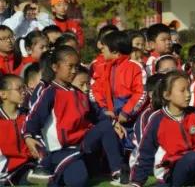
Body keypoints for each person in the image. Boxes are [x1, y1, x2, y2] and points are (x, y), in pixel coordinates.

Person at [23, 46, 127, 187]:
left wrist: (114, 124)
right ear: (55, 67)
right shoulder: (49, 92)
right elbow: (34, 117)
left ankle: (118, 172)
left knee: (106, 125)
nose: (74, 71)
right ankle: (49, 171)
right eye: (70, 66)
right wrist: (28, 135)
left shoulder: (79, 93)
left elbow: (98, 115)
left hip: (81, 144)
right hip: (59, 150)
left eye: (76, 67)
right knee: (78, 181)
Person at [90, 30, 145, 134]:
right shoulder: (100, 67)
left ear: (115, 51)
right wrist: (103, 110)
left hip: (130, 120)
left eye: (104, 47)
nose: (102, 49)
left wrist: (126, 112)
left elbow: (141, 92)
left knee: (129, 146)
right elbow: (94, 90)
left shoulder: (135, 67)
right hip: (107, 117)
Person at [0, 73, 34, 185]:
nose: (23, 91)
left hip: (28, 165)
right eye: (19, 89)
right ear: (3, 94)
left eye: (24, 88)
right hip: (4, 170)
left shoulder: (29, 115)